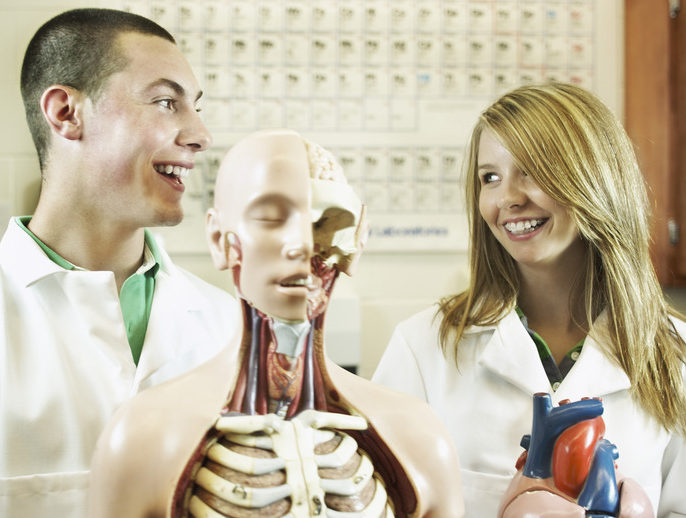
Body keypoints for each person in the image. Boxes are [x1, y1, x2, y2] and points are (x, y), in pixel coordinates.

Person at [0, 8, 238, 518]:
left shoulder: (233, 332)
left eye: (195, 107)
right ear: (66, 113)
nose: (200, 134)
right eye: (167, 102)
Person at [88, 129, 464, 518]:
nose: (301, 244)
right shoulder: (143, 438)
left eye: (327, 222)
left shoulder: (418, 436)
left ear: (356, 240)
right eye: (271, 217)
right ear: (220, 239)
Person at [372, 82, 686, 517]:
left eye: (532, 170)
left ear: (596, 178)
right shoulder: (424, 347)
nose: (508, 198)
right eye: (490, 177)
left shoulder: (676, 355)